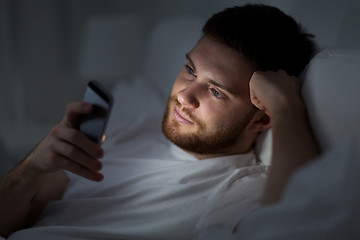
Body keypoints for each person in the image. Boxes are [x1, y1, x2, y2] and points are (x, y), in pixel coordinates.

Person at [0, 4, 318, 239]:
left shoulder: (238, 188)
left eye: (216, 92)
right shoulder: (134, 129)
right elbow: (28, 214)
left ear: (262, 119)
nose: (184, 95)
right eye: (191, 70)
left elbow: (292, 221)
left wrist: (286, 105)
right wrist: (34, 166)